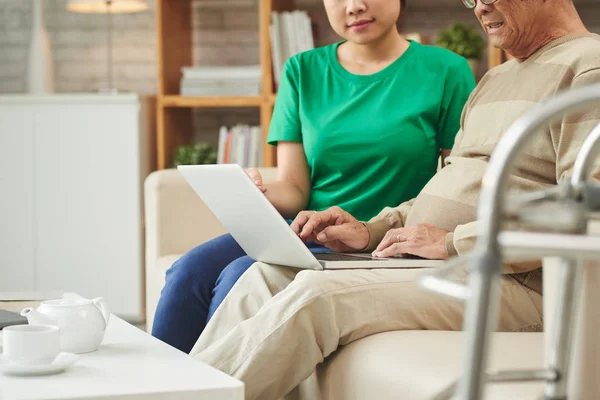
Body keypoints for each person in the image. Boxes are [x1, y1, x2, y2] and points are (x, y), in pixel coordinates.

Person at [188, 0, 600, 399]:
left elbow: (584, 215)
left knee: (316, 296)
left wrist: (451, 243)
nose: (479, 8)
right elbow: (448, 184)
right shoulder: (496, 79)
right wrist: (371, 230)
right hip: (452, 263)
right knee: (262, 277)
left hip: (519, 284)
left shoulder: (589, 68)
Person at [151, 0, 476, 353]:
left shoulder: (446, 70)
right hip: (303, 230)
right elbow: (294, 189)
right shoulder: (302, 70)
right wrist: (256, 192)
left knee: (238, 276)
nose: (355, 7)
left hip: (378, 241)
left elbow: (456, 180)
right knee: (188, 272)